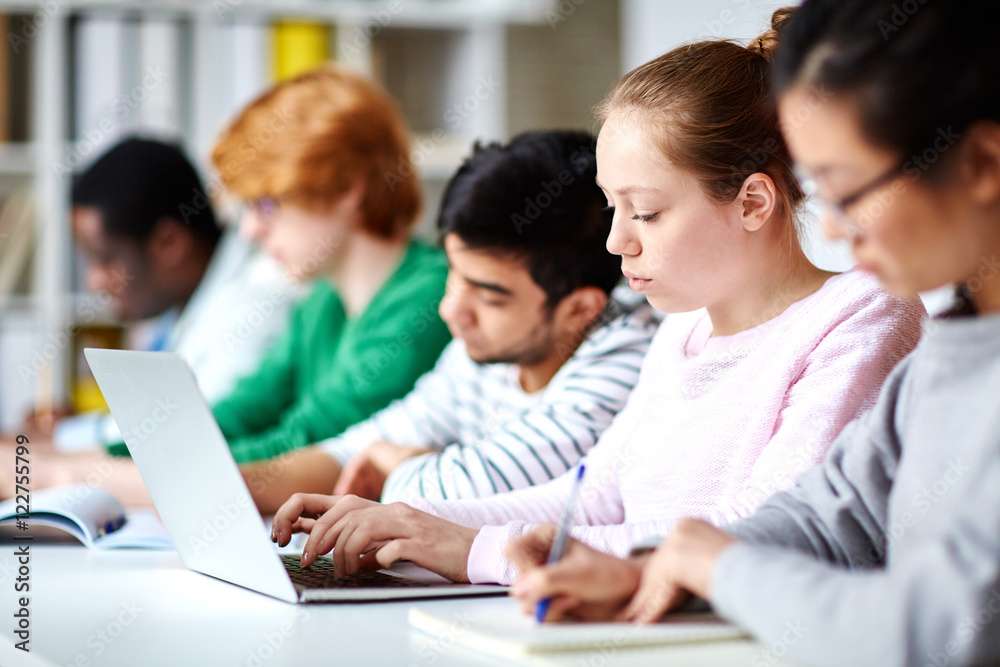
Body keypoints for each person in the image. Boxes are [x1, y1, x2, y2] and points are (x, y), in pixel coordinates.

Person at [269, 11, 927, 586]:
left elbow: (759, 533)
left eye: (645, 212)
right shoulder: (682, 331)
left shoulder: (860, 314)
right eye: (614, 208)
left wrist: (479, 549)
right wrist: (413, 522)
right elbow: (597, 495)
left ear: (753, 201)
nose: (616, 242)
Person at [508, 1, 1000, 665]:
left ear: (979, 165)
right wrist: (656, 570)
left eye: (848, 188)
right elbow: (828, 516)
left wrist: (721, 568)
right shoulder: (949, 348)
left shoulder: (891, 327)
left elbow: (940, 632)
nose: (831, 227)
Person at [3, 65, 452, 504]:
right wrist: (73, 457)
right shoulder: (322, 302)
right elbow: (234, 415)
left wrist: (74, 474)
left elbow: (301, 446)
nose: (251, 231)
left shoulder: (428, 296)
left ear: (348, 188)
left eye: (267, 205)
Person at [243, 131, 659, 513]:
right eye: (454, 275)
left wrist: (399, 460)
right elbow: (353, 452)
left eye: (489, 295)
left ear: (579, 310)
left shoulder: (627, 359)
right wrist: (231, 490)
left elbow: (462, 493)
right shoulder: (481, 353)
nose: (451, 310)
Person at [44, 137, 296, 451]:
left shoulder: (260, 301)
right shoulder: (181, 309)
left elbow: (188, 432)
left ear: (170, 244)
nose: (94, 281)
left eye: (105, 259)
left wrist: (61, 442)